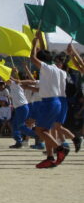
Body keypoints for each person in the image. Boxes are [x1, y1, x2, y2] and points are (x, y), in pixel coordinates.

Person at [29, 35, 69, 168]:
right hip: (56, 102)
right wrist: (40, 39)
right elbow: (45, 55)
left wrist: (34, 45)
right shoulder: (58, 70)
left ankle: (60, 149)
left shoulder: (47, 68)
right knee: (47, 130)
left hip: (49, 102)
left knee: (40, 130)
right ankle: (50, 157)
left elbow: (33, 58)